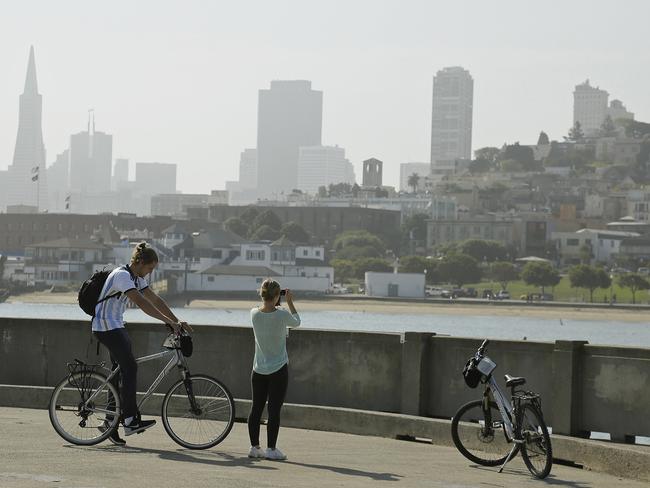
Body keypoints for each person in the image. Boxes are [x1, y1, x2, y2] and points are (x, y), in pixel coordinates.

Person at [93, 242, 191, 446]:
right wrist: (167, 322)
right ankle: (129, 420)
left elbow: (154, 299)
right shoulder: (122, 275)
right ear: (139, 262)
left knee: (120, 371)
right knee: (130, 367)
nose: (150, 273)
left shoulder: (136, 278)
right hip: (106, 326)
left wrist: (176, 320)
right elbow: (141, 302)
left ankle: (109, 423)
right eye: (149, 268)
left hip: (116, 325)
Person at [247, 279, 300, 461]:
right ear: (278, 296)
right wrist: (290, 302)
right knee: (274, 410)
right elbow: (297, 322)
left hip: (258, 369)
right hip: (278, 369)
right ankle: (271, 449)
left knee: (256, 408)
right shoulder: (282, 315)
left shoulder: (254, 313)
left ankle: (254, 447)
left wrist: (275, 299)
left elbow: (264, 310)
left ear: (262, 294)